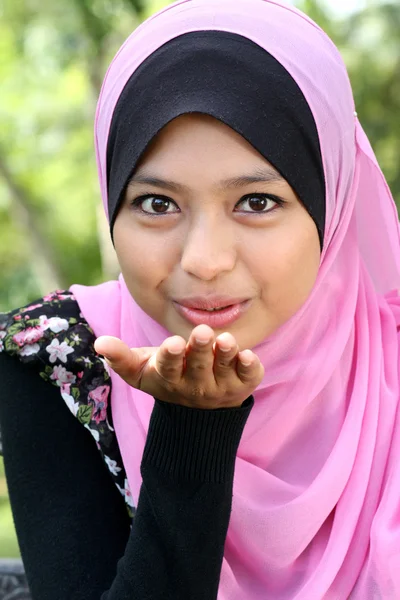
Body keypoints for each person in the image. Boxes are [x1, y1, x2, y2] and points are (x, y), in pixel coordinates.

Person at [1, 0, 400, 598]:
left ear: (331, 204)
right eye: (158, 204)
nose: (204, 260)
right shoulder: (60, 361)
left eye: (257, 202)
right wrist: (193, 426)